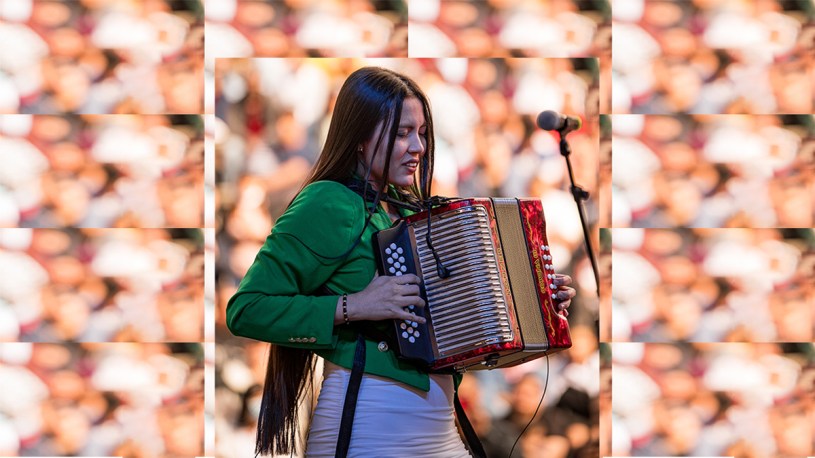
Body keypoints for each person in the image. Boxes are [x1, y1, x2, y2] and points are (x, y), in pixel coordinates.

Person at [226, 66, 576, 457]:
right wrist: (353, 306)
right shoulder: (328, 201)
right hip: (371, 426)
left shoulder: (405, 209)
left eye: (422, 133)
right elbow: (247, 309)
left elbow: (453, 338)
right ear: (360, 137)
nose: (419, 147)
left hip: (437, 426)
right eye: (402, 133)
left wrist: (536, 301)